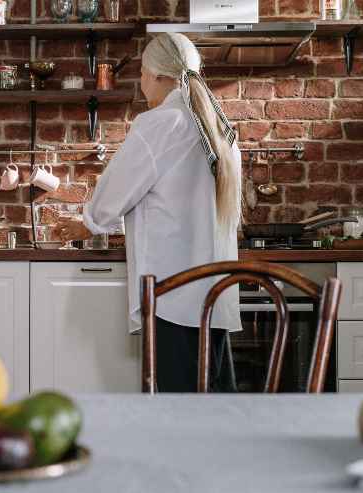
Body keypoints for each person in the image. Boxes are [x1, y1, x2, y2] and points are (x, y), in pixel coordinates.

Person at [57, 33, 242, 392]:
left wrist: (87, 223)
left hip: (174, 295)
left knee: (176, 411)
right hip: (213, 295)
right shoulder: (218, 125)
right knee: (214, 409)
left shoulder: (161, 122)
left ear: (158, 75)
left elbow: (118, 187)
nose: (140, 82)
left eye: (142, 73)